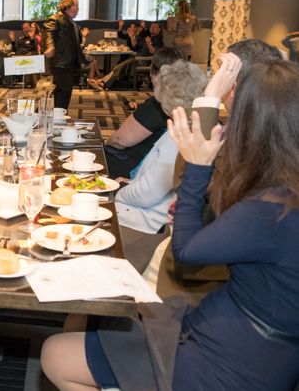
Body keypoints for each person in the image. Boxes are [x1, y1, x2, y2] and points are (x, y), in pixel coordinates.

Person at [42, 59, 299, 390]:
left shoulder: (272, 208)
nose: (227, 120)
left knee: (55, 355)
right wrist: (208, 98)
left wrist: (196, 168)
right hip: (241, 341)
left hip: (228, 361)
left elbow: (187, 250)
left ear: (255, 123)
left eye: (235, 111)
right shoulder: (282, 187)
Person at [114, 59, 208, 234]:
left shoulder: (179, 136)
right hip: (160, 212)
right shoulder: (203, 124)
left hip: (150, 223)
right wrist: (132, 184)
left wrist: (117, 191)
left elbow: (147, 194)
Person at [103, 48, 184, 178]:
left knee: (95, 155)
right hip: (159, 167)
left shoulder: (159, 103)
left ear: (153, 72)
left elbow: (120, 140)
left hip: (136, 167)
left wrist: (106, 142)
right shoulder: (185, 101)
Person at [43, 0, 87, 110]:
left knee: (62, 90)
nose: (78, 8)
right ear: (68, 6)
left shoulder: (73, 23)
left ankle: (45, 112)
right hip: (60, 62)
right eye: (76, 5)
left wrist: (85, 60)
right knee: (65, 89)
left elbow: (76, 45)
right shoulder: (56, 19)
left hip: (69, 63)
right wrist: (50, 46)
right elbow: (49, 33)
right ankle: (58, 115)